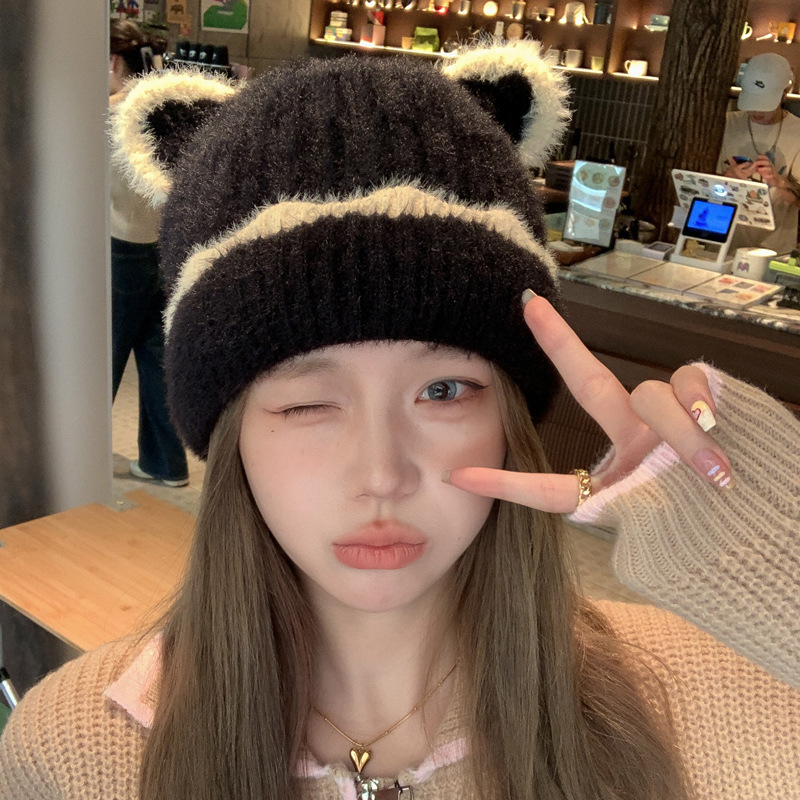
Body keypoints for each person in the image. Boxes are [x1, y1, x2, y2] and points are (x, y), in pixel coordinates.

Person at [1, 44, 799, 800]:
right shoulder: (77, 749)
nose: (381, 474)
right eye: (307, 403)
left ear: (510, 416)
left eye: (444, 390)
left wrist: (776, 558)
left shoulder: (708, 697)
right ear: (228, 432)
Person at [109, 19, 189, 487]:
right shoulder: (167, 109)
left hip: (119, 247)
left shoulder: (109, 114)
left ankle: (71, 463)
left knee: (101, 354)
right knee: (157, 359)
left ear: (112, 62)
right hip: (162, 248)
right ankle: (166, 463)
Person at [718, 52, 800, 254]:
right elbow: (699, 187)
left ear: (784, 94)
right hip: (721, 243)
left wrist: (779, 182)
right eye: (752, 101)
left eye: (765, 103)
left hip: (774, 251)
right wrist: (728, 178)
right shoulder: (727, 123)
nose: (756, 111)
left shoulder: (797, 131)